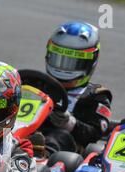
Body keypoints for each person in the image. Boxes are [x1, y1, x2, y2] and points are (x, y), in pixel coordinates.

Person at [40, 21, 112, 153]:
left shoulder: (95, 96)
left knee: (59, 136)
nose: (63, 67)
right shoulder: (36, 84)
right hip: (26, 135)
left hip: (65, 153)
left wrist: (69, 122)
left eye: (73, 62)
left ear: (90, 61)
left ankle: (39, 157)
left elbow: (94, 133)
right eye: (59, 58)